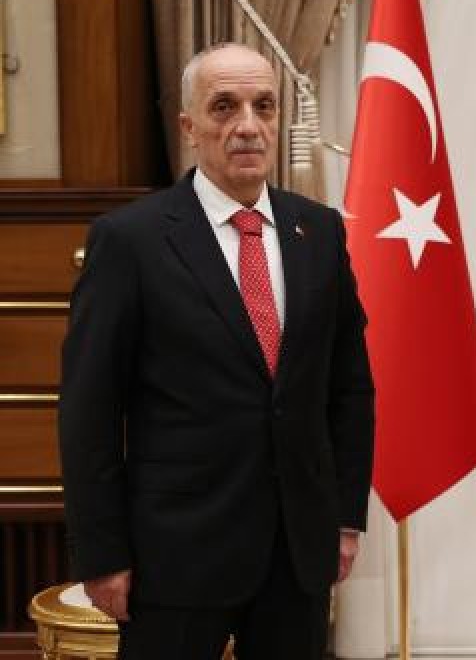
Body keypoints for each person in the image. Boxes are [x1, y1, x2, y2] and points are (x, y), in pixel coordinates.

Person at [58, 43, 375, 659]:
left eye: (264, 106)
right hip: (173, 556)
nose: (248, 125)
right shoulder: (130, 240)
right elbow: (88, 411)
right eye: (224, 107)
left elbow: (349, 387)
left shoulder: (320, 231)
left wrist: (344, 515)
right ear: (189, 126)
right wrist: (102, 553)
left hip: (297, 553)